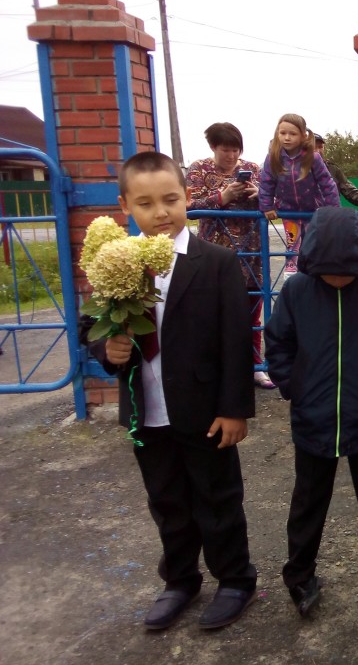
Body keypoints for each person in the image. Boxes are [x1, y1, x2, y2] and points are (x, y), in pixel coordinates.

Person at [89, 151, 258, 631]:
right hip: (147, 410)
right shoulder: (115, 264)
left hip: (204, 410)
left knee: (217, 498)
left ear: (186, 197)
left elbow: (235, 340)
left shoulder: (217, 262)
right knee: (166, 501)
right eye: (145, 204)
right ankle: (180, 581)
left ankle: (235, 580)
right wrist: (108, 349)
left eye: (170, 200)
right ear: (125, 206)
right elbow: (92, 326)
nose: (160, 212)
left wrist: (235, 409)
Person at [265, 207, 358, 618]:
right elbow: (278, 343)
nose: (339, 280)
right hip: (313, 418)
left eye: (348, 274)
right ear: (313, 264)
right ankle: (300, 574)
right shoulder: (297, 291)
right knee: (308, 501)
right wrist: (293, 385)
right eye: (330, 275)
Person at [186, 122, 275, 389]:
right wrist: (221, 197)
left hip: (251, 252)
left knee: (252, 311)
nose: (232, 155)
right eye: (226, 150)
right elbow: (189, 206)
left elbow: (272, 201)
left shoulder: (254, 169)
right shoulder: (198, 169)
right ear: (213, 147)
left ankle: (256, 366)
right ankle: (218, 369)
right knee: (214, 312)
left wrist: (260, 195)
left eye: (236, 150)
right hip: (215, 253)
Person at [258, 114, 340, 275]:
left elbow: (327, 183)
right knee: (292, 241)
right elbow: (267, 183)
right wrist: (267, 206)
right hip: (288, 209)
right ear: (277, 134)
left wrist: (333, 209)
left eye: (293, 134)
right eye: (283, 133)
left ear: (303, 136)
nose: (287, 138)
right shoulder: (273, 157)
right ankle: (291, 267)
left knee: (313, 241)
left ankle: (314, 269)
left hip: (312, 209)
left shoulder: (312, 157)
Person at [313, 133, 358, 207]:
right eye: (313, 147)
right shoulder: (297, 170)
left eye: (320, 147)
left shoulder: (333, 169)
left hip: (330, 212)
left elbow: (351, 192)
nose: (318, 151)